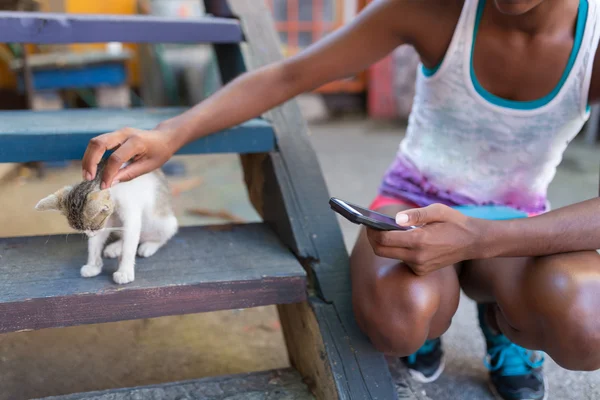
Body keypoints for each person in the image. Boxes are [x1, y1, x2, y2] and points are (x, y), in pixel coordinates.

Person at [81, 0, 600, 399]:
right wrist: (172, 133)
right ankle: (430, 325)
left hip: (512, 226)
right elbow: (291, 74)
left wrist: (486, 239)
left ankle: (504, 318)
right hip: (413, 206)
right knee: (399, 319)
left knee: (588, 319)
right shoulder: (436, 10)